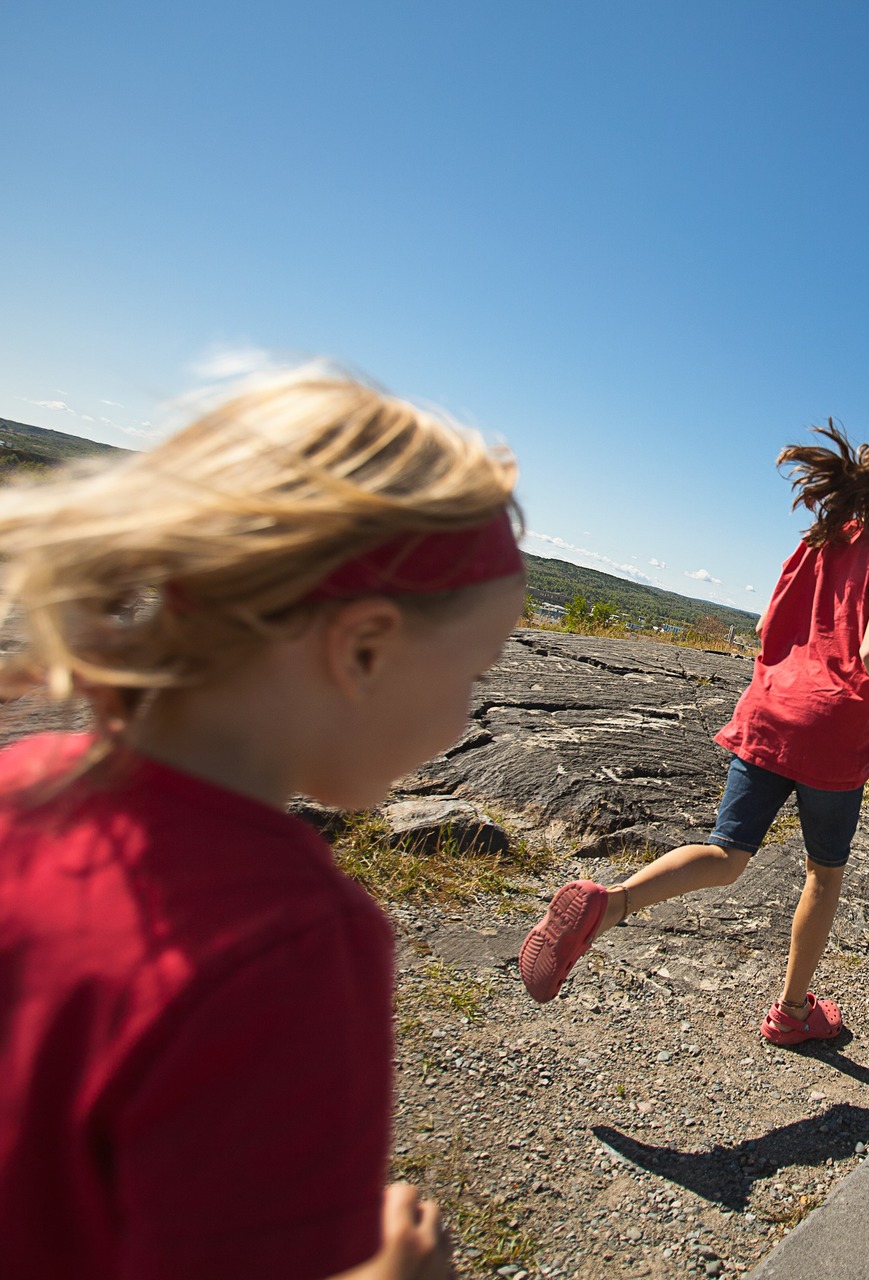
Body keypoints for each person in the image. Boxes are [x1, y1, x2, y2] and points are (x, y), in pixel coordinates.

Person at [0, 365, 529, 1280]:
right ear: (363, 648)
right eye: (474, 674)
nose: (463, 715)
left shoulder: (23, 779)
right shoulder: (291, 944)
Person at [518, 422, 869, 1046]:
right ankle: (793, 1013)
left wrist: (782, 679)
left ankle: (609, 904)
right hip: (830, 731)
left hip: (770, 711)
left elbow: (770, 621)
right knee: (823, 875)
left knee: (726, 853)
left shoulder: (820, 540)